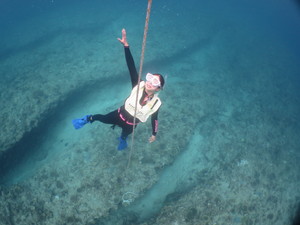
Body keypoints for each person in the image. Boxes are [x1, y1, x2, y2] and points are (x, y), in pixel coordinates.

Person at [72, 29, 165, 150]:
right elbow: (131, 66)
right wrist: (126, 46)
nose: (150, 82)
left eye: (155, 82)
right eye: (150, 77)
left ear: (158, 88)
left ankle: (122, 139)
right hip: (118, 115)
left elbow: (155, 119)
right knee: (102, 118)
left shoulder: (156, 104)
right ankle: (88, 118)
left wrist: (154, 134)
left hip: (131, 125)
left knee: (125, 134)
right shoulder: (138, 84)